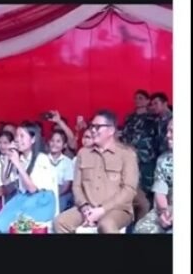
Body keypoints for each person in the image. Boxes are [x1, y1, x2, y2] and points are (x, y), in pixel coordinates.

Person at [53, 110, 139, 233]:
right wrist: (84, 206)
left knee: (106, 225)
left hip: (117, 209)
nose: (93, 130)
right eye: (92, 126)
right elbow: (77, 186)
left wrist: (102, 210)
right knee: (60, 222)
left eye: (98, 127)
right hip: (87, 208)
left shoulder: (127, 154)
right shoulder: (83, 153)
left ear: (111, 130)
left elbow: (129, 190)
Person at [0, 122, 58, 233]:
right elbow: (5, 181)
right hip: (23, 198)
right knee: (1, 222)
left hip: (41, 200)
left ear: (33, 139)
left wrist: (18, 164)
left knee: (20, 224)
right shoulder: (20, 158)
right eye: (16, 136)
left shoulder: (42, 159)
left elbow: (33, 189)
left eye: (22, 136)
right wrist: (8, 158)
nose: (18, 139)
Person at [120, 90, 159, 220]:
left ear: (148, 101)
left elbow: (156, 140)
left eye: (141, 98)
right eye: (136, 98)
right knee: (131, 190)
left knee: (147, 191)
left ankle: (146, 222)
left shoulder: (153, 119)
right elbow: (124, 136)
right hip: (130, 159)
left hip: (146, 159)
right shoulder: (130, 118)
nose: (138, 100)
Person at [135, 121, 173, 234]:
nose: (168, 135)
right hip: (168, 208)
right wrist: (164, 213)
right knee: (141, 229)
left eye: (172, 131)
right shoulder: (163, 159)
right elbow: (160, 192)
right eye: (167, 131)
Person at [48, 130, 75, 212]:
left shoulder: (67, 162)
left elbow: (66, 185)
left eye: (58, 141)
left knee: (57, 207)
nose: (54, 144)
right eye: (52, 141)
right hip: (45, 191)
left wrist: (54, 195)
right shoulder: (42, 159)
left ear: (64, 145)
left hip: (61, 193)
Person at [0, 131, 18, 202]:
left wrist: (7, 159)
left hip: (13, 192)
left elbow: (5, 180)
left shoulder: (16, 159)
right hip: (0, 192)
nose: (2, 146)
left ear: (12, 143)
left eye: (5, 143)